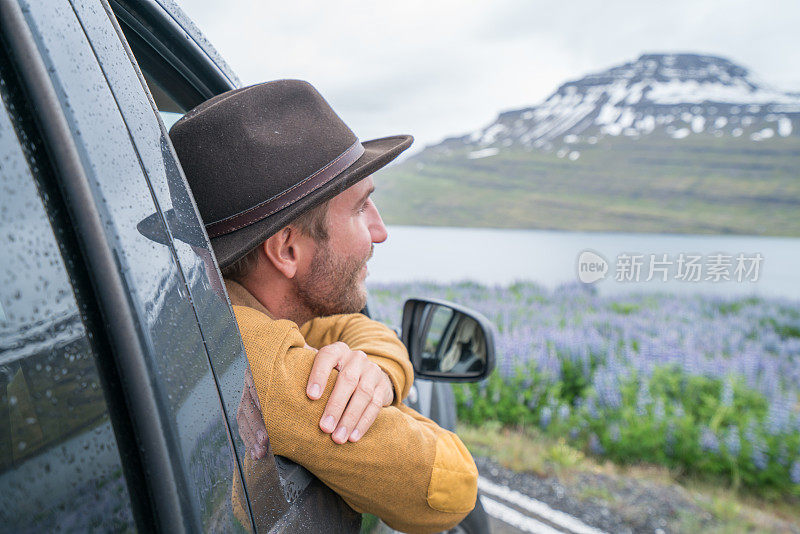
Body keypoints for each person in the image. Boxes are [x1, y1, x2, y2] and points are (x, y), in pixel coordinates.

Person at [168, 80, 478, 533]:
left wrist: (377, 367)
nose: (380, 231)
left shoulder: (214, 313)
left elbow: (345, 328)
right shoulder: (264, 367)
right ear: (287, 250)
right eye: (360, 209)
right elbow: (450, 486)